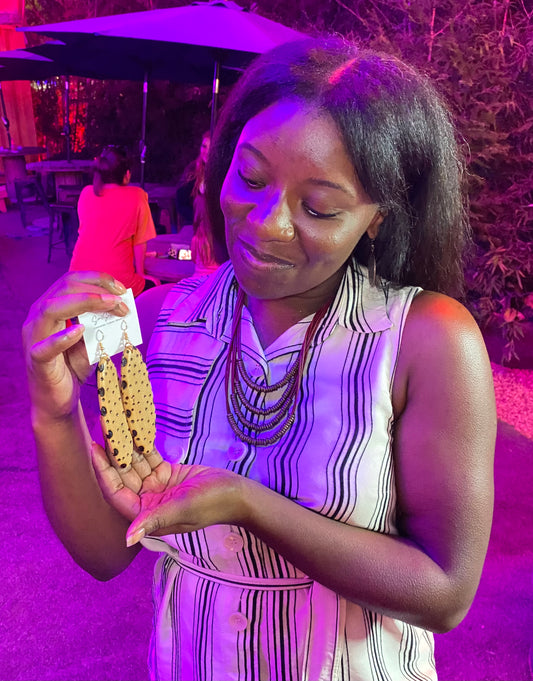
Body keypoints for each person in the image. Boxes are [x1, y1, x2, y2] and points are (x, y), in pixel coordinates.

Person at [23, 37, 496, 681]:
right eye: (249, 177)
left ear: (377, 218)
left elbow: (444, 592)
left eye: (318, 207)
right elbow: (108, 552)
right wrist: (54, 413)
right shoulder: (159, 320)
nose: (268, 223)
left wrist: (248, 504)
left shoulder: (425, 340)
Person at [69, 145, 158, 297]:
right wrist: (141, 274)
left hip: (76, 279)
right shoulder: (137, 196)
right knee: (155, 285)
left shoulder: (86, 193)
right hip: (114, 283)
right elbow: (139, 243)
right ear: (127, 174)